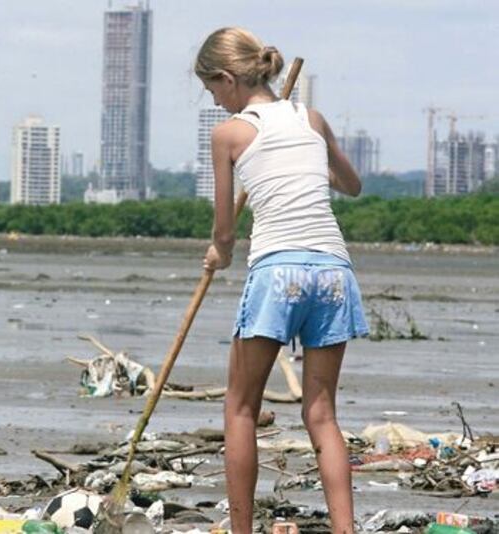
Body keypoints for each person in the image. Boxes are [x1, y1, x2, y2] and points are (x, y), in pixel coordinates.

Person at [194, 27, 369, 534]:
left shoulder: (230, 133)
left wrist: (217, 254)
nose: (216, 102)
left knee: (241, 408)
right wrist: (306, 162)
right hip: (334, 271)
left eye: (213, 91)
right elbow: (352, 185)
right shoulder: (310, 119)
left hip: (279, 271)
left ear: (228, 79)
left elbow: (224, 232)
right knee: (322, 415)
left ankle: (241, 530)